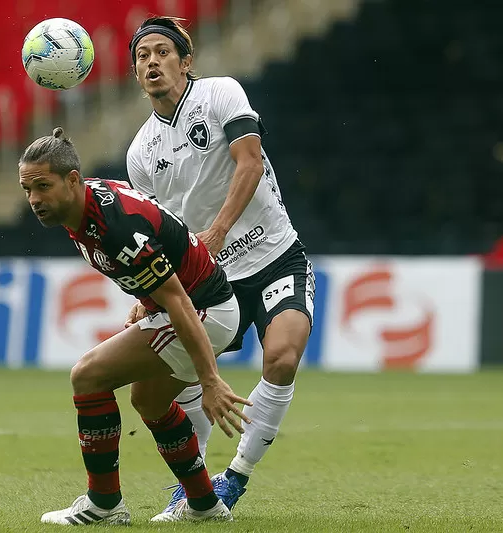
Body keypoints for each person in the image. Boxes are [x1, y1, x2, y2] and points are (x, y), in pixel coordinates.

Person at [124, 16, 316, 518]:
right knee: (179, 380)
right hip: (211, 282)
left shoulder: (220, 94)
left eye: (162, 52)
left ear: (185, 62)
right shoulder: (140, 153)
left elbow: (249, 161)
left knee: (282, 358)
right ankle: (193, 485)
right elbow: (155, 235)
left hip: (274, 255)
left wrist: (217, 232)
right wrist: (146, 298)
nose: (152, 62)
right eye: (142, 56)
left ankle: (236, 477)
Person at [20, 127, 253, 525]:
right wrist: (146, 303)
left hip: (203, 310)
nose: (34, 200)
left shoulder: (112, 227)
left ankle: (104, 505)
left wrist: (210, 380)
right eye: (27, 190)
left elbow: (177, 298)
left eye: (43, 186)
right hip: (200, 305)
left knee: (88, 376)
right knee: (148, 401)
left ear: (73, 180)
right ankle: (204, 505)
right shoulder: (83, 208)